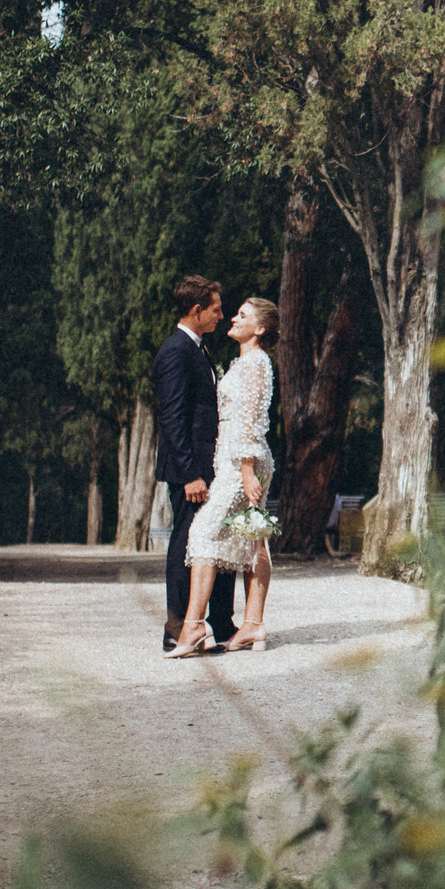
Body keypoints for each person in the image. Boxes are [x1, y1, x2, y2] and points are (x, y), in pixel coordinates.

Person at [167, 297, 278, 657]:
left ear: (259, 329)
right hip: (230, 460)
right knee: (252, 538)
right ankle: (252, 626)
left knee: (203, 533)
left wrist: (247, 469)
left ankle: (194, 628)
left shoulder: (257, 362)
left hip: (242, 462)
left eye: (243, 315)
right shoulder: (243, 362)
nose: (233, 317)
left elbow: (254, 419)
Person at [153, 275, 236, 652]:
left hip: (207, 466)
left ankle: (218, 623)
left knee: (210, 543)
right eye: (216, 309)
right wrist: (190, 475)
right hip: (191, 471)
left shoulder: (199, 350)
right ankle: (176, 632)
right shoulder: (175, 351)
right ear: (197, 310)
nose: (222, 316)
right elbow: (171, 418)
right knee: (185, 545)